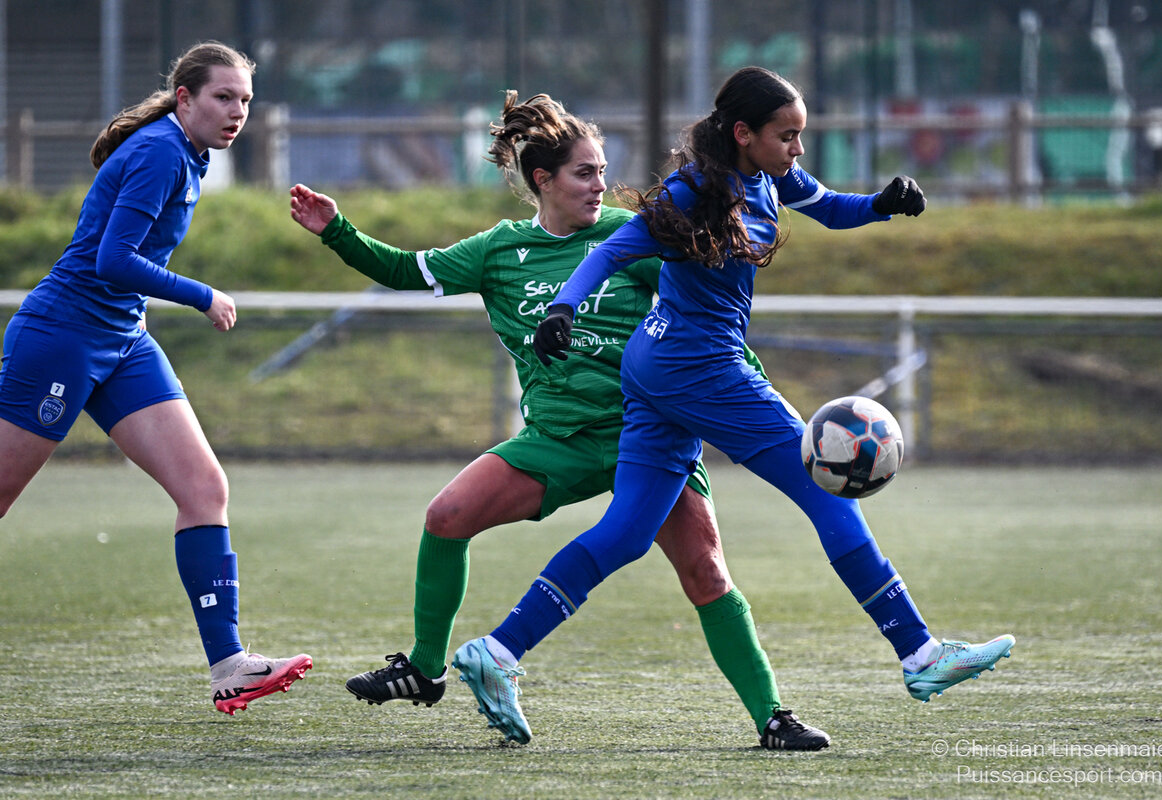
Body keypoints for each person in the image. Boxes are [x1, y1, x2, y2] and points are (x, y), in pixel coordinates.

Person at [453, 66, 1016, 746]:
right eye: (787, 135)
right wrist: (564, 307)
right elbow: (614, 250)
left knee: (628, 532)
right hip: (700, 368)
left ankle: (499, 649)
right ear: (744, 133)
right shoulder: (692, 191)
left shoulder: (772, 176)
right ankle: (919, 652)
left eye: (801, 135)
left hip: (660, 367)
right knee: (826, 492)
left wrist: (881, 203)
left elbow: (830, 207)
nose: (797, 149)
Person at [289, 90, 825, 750]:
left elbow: (706, 325)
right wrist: (336, 230)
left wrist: (755, 394)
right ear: (543, 179)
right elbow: (404, 270)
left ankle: (772, 717)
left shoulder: (634, 236)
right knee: (446, 516)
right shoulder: (498, 250)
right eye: (584, 172)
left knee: (706, 573)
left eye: (603, 171)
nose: (600, 184)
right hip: (558, 439)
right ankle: (426, 671)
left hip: (647, 433)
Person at [0, 42, 312, 716]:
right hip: (62, 337)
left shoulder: (190, 153)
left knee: (204, 488)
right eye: (223, 97)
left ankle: (229, 664)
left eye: (245, 100)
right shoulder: (161, 151)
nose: (237, 112)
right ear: (185, 98)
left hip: (122, 339)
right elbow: (112, 261)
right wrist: (204, 295)